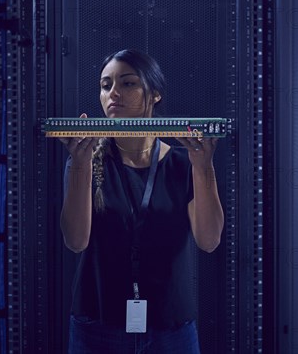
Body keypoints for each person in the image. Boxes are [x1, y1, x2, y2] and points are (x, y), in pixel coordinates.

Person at [59, 49, 224, 354]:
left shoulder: (183, 165)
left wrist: (204, 167)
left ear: (155, 94)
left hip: (170, 328)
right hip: (98, 324)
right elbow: (75, 240)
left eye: (128, 83)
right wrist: (79, 164)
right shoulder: (86, 162)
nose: (113, 94)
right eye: (105, 85)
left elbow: (210, 240)